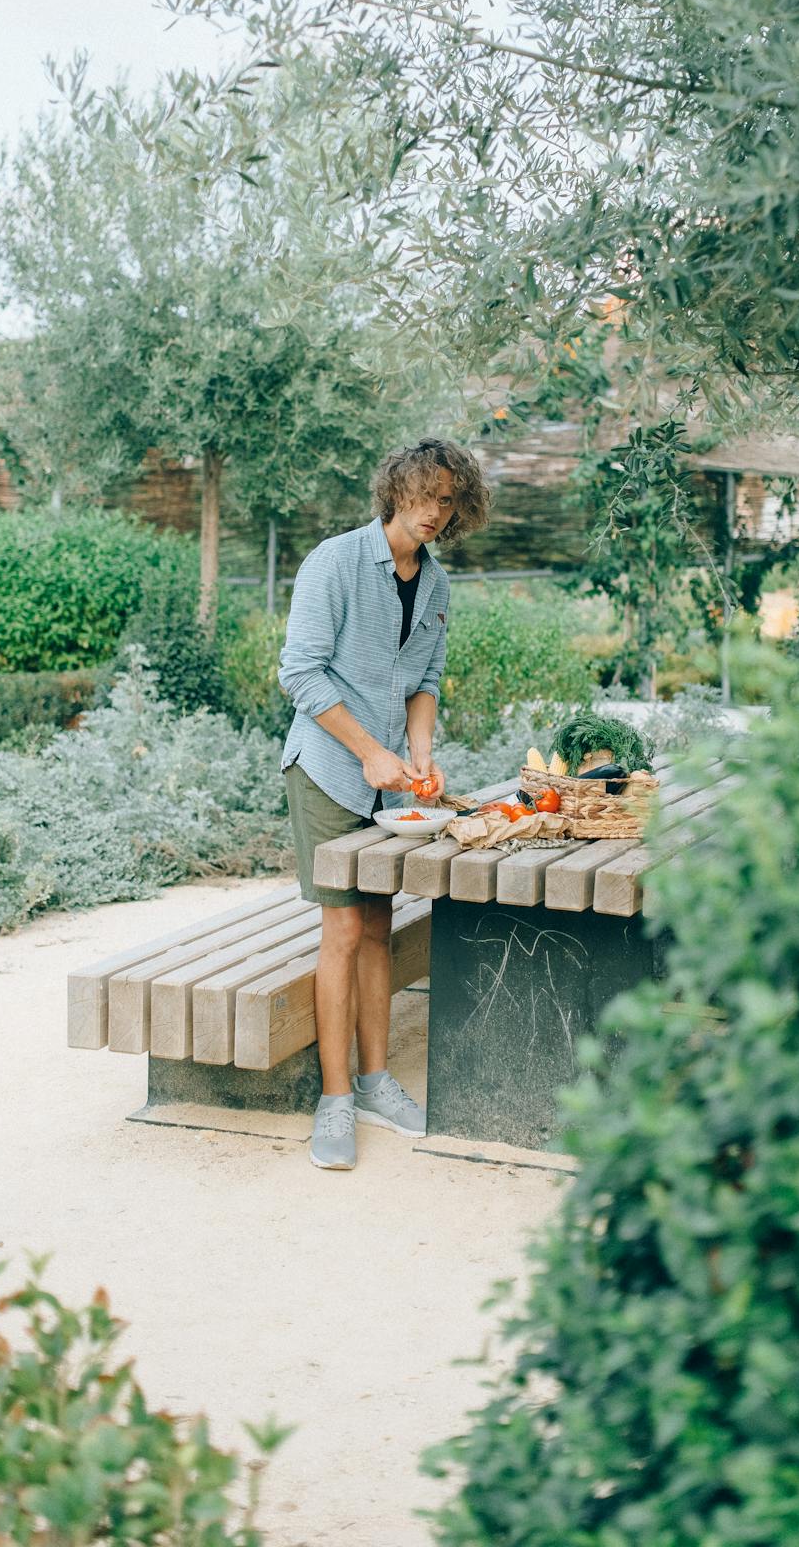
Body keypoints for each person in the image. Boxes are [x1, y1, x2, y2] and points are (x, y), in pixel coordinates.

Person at [278, 437, 490, 1170]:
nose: (435, 512)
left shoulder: (433, 585)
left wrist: (419, 752)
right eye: (426, 495)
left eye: (448, 500)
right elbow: (300, 675)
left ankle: (373, 1081)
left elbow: (424, 679)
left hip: (386, 781)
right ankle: (334, 1101)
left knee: (376, 926)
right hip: (329, 772)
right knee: (342, 930)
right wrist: (368, 748)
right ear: (396, 490)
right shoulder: (335, 563)